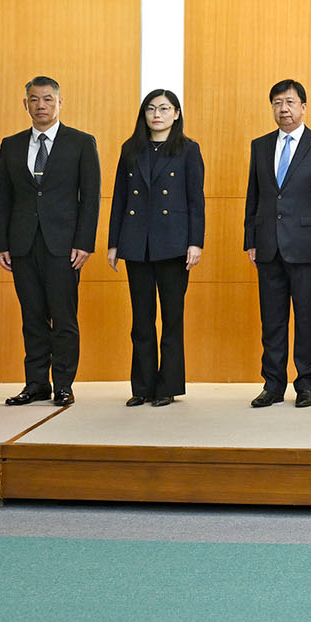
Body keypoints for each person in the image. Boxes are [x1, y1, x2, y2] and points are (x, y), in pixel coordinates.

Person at [0, 76, 101, 407]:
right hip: (23, 245)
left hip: (64, 246)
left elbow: (91, 197)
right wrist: (1, 243)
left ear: (59, 103)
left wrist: (85, 242)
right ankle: (36, 383)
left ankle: (64, 384)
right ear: (25, 104)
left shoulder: (81, 142)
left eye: (48, 99)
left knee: (64, 317)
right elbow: (3, 198)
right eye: (35, 100)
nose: (41, 105)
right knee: (33, 316)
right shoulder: (10, 145)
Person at [243, 79, 311, 409]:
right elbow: (253, 198)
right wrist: (251, 240)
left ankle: (306, 383)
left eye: (289, 102)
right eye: (276, 103)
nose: (283, 109)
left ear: (303, 106)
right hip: (268, 245)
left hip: (308, 246)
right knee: (271, 319)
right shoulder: (260, 145)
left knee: (306, 318)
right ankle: (272, 384)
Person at [105, 89, 205, 407]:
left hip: (174, 245)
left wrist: (195, 242)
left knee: (172, 319)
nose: (156, 114)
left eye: (164, 108)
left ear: (176, 113)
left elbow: (195, 201)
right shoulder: (131, 149)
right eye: (150, 108)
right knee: (141, 319)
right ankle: (142, 386)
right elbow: (119, 198)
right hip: (137, 244)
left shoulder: (188, 150)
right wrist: (114, 243)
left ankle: (168, 386)